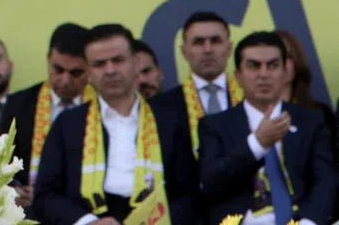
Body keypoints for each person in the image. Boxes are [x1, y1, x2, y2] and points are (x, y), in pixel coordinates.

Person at [33, 24, 198, 225]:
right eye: (99, 64)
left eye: (118, 60)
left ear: (135, 63)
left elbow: (189, 196)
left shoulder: (169, 121)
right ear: (88, 71)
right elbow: (45, 197)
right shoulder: (68, 124)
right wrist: (87, 222)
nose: (110, 70)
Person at [198, 31, 336, 225]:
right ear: (238, 76)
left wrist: (308, 223)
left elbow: (325, 181)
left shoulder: (310, 121)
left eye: (272, 65)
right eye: (253, 66)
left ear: (285, 72)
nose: (263, 74)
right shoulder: (215, 125)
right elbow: (210, 181)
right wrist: (257, 144)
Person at [0, 23, 95, 216]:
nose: (65, 80)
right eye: (58, 69)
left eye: (76, 73)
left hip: (86, 211)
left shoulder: (102, 106)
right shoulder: (18, 105)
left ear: (90, 67)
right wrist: (15, 189)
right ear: (48, 58)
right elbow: (0, 161)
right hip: (31, 211)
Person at [152, 12, 241, 160]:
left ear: (229, 48)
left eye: (215, 41)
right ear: (184, 52)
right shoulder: (161, 108)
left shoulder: (250, 99)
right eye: (198, 42)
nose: (207, 49)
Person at [275, 30, 338, 156]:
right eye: (274, 59)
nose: (282, 64)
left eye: (288, 56)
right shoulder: (244, 115)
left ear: (297, 62)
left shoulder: (321, 114)